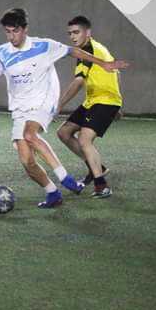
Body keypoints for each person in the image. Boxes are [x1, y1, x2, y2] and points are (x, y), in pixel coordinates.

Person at [0, 8, 127, 208]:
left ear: (25, 29)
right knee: (27, 161)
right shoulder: (2, 53)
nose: (11, 36)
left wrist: (103, 64)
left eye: (15, 31)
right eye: (7, 32)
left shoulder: (43, 45)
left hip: (44, 100)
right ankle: (53, 193)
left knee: (30, 135)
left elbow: (72, 51)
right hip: (20, 107)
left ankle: (67, 178)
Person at [56, 16, 123, 198]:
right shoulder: (97, 48)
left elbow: (78, 81)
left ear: (87, 32)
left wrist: (59, 105)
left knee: (84, 139)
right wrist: (118, 101)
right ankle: (97, 168)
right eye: (70, 33)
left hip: (104, 101)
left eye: (76, 32)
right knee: (64, 132)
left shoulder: (88, 50)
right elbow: (115, 71)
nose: (72, 36)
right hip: (94, 100)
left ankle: (102, 186)